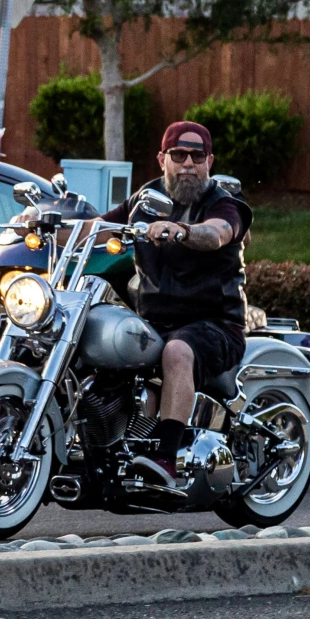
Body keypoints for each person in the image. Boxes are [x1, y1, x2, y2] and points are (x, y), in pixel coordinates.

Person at [99, 120, 252, 474]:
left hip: (216, 324)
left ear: (209, 162)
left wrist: (181, 230)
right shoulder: (144, 201)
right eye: (178, 154)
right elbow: (97, 228)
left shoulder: (225, 204)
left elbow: (217, 234)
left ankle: (166, 458)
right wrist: (45, 225)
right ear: (161, 159)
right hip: (154, 323)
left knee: (178, 350)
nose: (187, 163)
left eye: (197, 156)